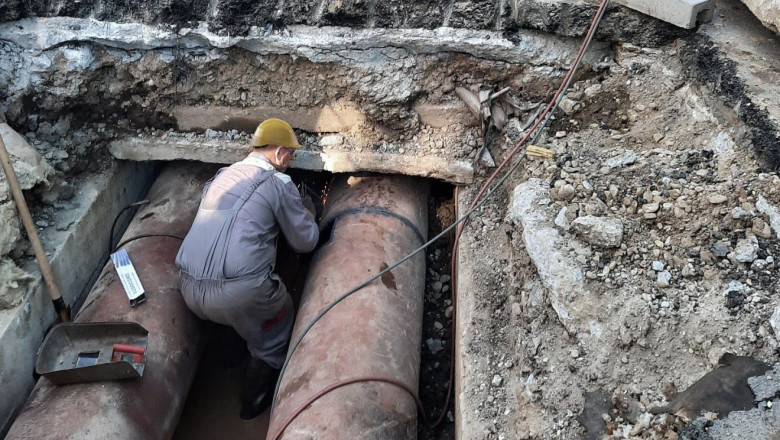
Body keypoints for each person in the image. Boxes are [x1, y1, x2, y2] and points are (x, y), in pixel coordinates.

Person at [175, 118, 319, 419]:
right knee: (277, 324)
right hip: (242, 294)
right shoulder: (278, 183)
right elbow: (305, 241)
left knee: (231, 314)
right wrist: (309, 210)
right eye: (290, 156)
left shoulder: (221, 176)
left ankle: (230, 358)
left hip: (187, 286)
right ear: (279, 153)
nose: (289, 163)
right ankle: (253, 406)